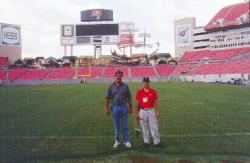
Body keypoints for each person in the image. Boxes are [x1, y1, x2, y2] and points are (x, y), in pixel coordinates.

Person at [105, 70, 133, 149]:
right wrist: (107, 108)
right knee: (116, 126)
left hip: (124, 107)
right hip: (115, 107)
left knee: (125, 125)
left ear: (122, 76)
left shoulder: (125, 86)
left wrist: (130, 107)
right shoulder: (111, 86)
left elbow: (129, 97)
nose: (119, 77)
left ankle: (126, 141)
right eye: (117, 75)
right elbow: (107, 98)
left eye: (120, 75)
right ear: (115, 76)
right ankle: (117, 141)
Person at [135, 77, 161, 147]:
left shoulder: (153, 91)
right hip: (142, 111)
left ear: (149, 82)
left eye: (147, 82)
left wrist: (157, 111)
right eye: (144, 82)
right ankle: (146, 142)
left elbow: (155, 102)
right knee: (144, 127)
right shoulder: (139, 92)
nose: (146, 83)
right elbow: (137, 103)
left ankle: (157, 142)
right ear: (143, 83)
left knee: (154, 126)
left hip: (151, 110)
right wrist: (137, 113)